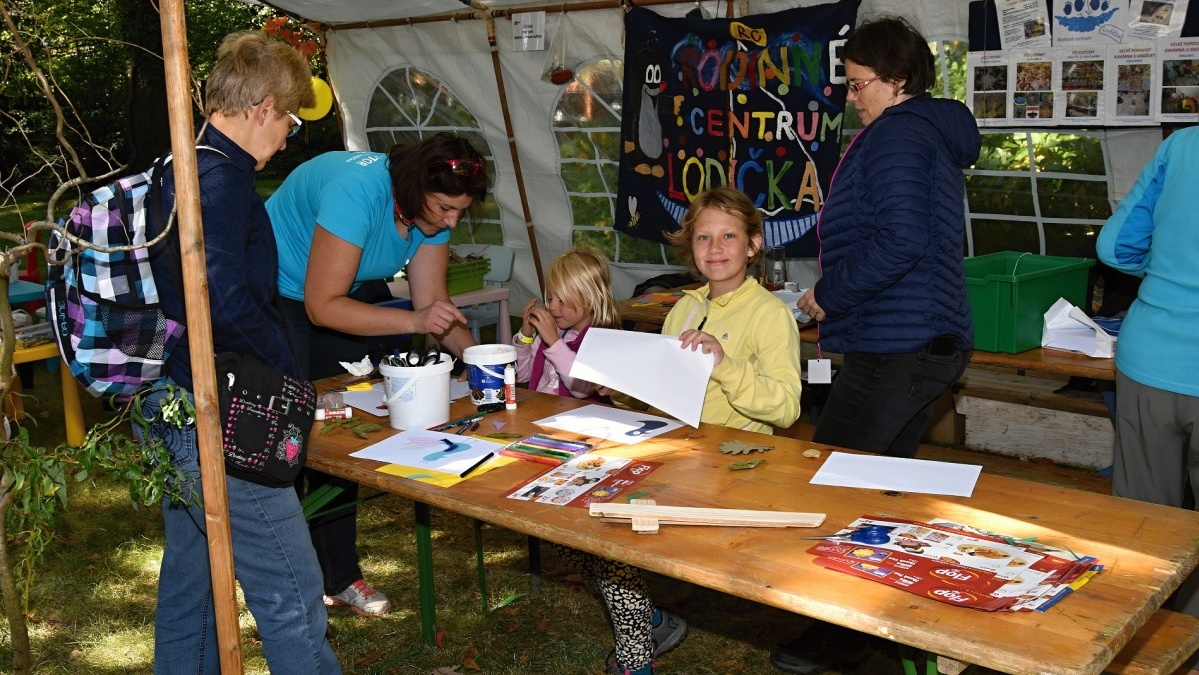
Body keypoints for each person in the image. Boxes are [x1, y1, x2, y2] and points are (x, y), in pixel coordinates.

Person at [134, 31, 341, 673]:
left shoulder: (183, 163)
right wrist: (283, 379)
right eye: (286, 121)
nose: (288, 138)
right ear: (262, 109)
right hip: (215, 408)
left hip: (169, 399)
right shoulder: (216, 180)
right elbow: (220, 301)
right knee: (291, 590)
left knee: (193, 585)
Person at [785, 15, 979, 674]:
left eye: (859, 82)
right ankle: (880, 628)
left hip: (904, 340)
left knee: (837, 479)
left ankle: (842, 634)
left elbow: (901, 241)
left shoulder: (899, 136)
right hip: (902, 334)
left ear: (896, 80)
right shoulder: (908, 132)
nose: (850, 96)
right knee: (881, 487)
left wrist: (830, 292)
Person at [266, 133, 490, 616]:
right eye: (447, 209)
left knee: (339, 436)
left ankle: (341, 577)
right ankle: (283, 581)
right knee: (288, 439)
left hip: (341, 294)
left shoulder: (429, 210)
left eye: (459, 211)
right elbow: (322, 306)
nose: (451, 221)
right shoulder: (357, 192)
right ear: (415, 187)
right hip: (277, 292)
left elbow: (433, 304)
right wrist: (411, 321)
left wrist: (478, 363)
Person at [592, 186, 802, 675]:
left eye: (729, 236)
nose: (715, 248)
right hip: (680, 454)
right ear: (691, 248)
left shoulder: (770, 315)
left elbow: (787, 408)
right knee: (583, 522)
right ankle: (650, 619)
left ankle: (635, 653)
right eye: (704, 237)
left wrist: (724, 364)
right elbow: (663, 393)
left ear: (752, 245)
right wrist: (616, 386)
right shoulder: (682, 309)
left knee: (616, 536)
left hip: (740, 466)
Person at [1096, 126, 1199, 635]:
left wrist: (1168, 273)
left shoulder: (1183, 145)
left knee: (1144, 528)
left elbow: (1115, 247)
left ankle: (1139, 646)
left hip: (1152, 355)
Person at [512, 247, 619, 400]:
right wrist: (525, 336)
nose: (552, 306)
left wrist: (555, 343)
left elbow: (581, 389)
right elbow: (522, 376)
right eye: (550, 298)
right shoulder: (551, 332)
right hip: (541, 410)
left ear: (591, 299)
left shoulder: (601, 341)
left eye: (562, 300)